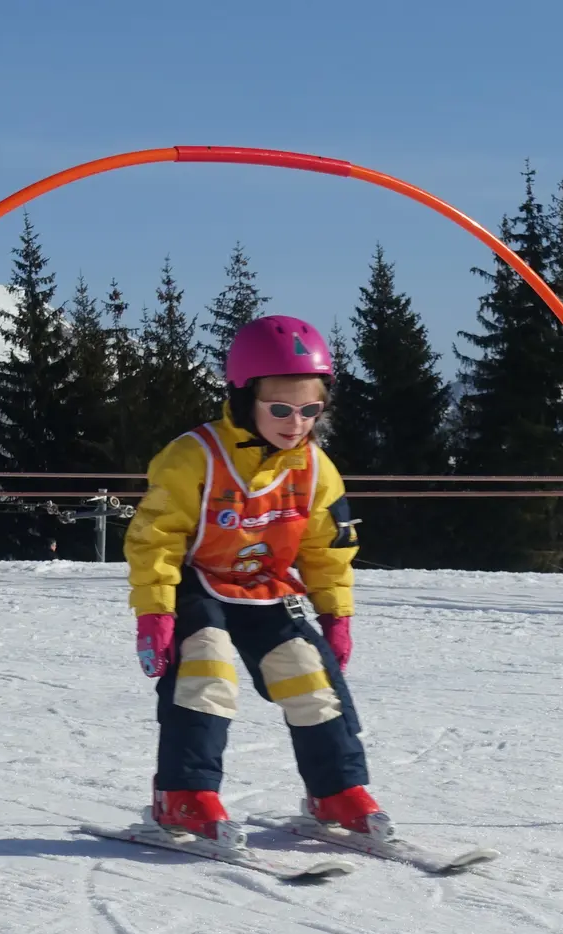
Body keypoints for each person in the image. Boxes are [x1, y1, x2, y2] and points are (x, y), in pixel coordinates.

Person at [123, 315, 382, 847]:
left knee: (311, 675)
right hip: (197, 583)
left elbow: (326, 549)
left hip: (266, 585)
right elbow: (155, 539)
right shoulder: (193, 456)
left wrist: (336, 615)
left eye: (311, 410)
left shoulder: (315, 469)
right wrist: (156, 611)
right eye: (281, 409)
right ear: (244, 399)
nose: (296, 423)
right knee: (207, 670)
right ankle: (183, 794)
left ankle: (336, 790)